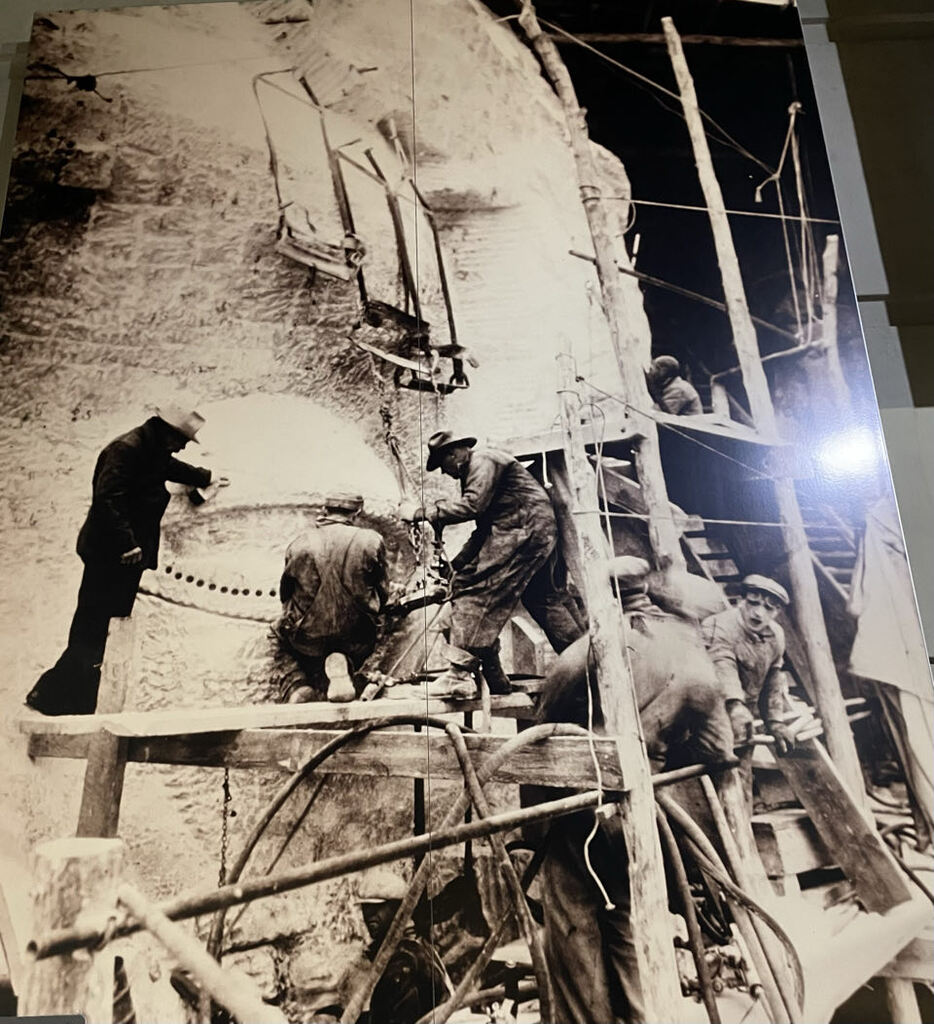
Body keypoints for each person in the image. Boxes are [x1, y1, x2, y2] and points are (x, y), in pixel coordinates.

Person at [533, 557, 736, 1024]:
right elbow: (718, 750)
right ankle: (641, 1016)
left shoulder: (594, 645)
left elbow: (545, 716)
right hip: (639, 810)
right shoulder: (695, 661)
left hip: (583, 804)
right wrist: (665, 741)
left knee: (573, 917)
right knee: (626, 915)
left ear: (602, 597)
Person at [25, 405, 222, 716]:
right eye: (182, 439)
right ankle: (52, 697)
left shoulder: (150, 449)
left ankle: (75, 699)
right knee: (92, 626)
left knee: (106, 626)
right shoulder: (126, 449)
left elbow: (169, 467)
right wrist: (126, 544)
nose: (183, 446)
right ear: (167, 432)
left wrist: (205, 476)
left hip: (124, 558)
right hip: (111, 555)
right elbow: (107, 498)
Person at [400, 431, 585, 699]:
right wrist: (458, 563)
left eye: (443, 465)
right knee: (542, 598)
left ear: (453, 454)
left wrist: (420, 514)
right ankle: (584, 664)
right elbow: (484, 528)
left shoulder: (482, 461)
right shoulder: (481, 469)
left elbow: (471, 507)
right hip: (534, 533)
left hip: (521, 533)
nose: (444, 473)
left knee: (476, 593)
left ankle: (458, 676)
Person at [275, 492, 387, 704]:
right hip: (357, 638)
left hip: (309, 640)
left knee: (277, 633)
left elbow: (285, 594)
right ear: (357, 513)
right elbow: (383, 593)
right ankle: (353, 669)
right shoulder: (372, 540)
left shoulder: (299, 543)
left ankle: (296, 685)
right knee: (381, 624)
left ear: (325, 511)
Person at [311, 868, 453, 1024]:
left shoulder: (406, 959)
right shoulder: (389, 952)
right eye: (366, 907)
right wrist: (333, 1014)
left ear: (398, 908)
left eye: (378, 907)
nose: (369, 915)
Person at [701, 574, 795, 801]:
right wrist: (735, 705)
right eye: (753, 603)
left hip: (744, 717)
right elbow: (722, 664)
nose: (758, 613)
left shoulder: (776, 635)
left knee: (741, 780)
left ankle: (742, 819)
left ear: (776, 612)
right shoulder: (719, 626)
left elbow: (773, 678)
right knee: (715, 781)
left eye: (768, 608)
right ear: (741, 600)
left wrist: (775, 721)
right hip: (708, 716)